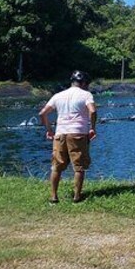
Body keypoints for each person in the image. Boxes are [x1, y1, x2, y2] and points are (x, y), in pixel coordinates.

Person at [38, 70, 97, 204]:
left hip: (60, 134)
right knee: (79, 166)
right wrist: (93, 128)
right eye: (87, 84)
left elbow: (42, 113)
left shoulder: (58, 95)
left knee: (56, 166)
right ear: (83, 83)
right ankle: (77, 196)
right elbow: (92, 111)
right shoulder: (86, 94)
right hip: (78, 134)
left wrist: (49, 130)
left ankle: (53, 197)